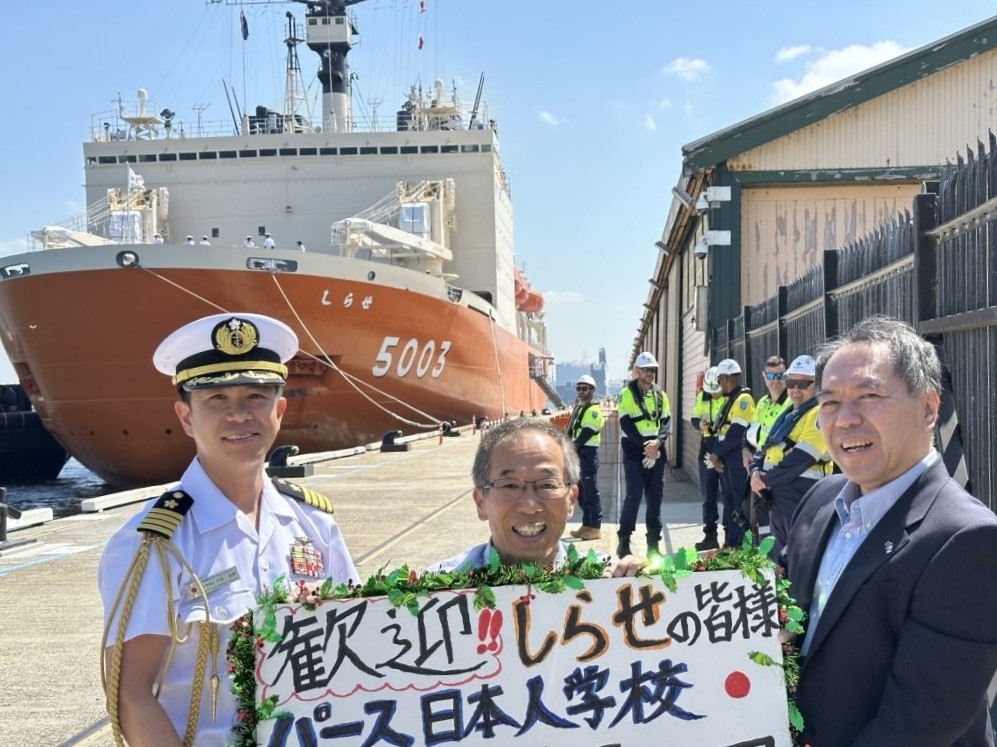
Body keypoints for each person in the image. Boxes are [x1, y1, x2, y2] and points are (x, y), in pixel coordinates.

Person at [98, 312, 358, 747]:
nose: (238, 414)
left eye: (255, 396)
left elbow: (356, 648)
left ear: (279, 410)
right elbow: (129, 692)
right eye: (216, 398)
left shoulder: (315, 526)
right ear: (185, 416)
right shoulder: (155, 543)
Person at [786, 317, 997, 746]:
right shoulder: (822, 499)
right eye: (829, 403)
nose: (844, 420)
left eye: (869, 396)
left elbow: (916, 728)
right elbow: (774, 602)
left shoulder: (968, 540)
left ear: (928, 409)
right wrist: (660, 588)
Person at [429, 418, 641, 577]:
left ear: (571, 500)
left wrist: (646, 587)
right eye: (510, 485)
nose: (530, 506)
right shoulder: (431, 593)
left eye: (547, 485)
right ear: (480, 502)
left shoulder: (609, 582)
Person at [748, 354, 831, 561]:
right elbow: (764, 445)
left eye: (803, 383)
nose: (795, 389)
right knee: (777, 559)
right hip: (777, 494)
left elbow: (801, 459)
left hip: (801, 495)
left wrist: (764, 480)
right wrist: (755, 470)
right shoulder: (787, 413)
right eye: (791, 382)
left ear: (817, 385)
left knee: (798, 559)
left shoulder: (819, 413)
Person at [616, 351, 671, 559]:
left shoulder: (661, 395)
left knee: (655, 498)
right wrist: (645, 447)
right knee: (633, 496)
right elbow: (626, 423)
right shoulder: (627, 394)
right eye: (646, 370)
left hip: (656, 449)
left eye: (653, 370)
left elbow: (666, 422)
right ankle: (624, 541)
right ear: (637, 371)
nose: (650, 373)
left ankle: (653, 546)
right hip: (634, 449)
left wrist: (657, 444)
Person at [705, 358, 754, 548]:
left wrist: (716, 455)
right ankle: (731, 543)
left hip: (736, 460)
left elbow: (735, 434)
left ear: (726, 378)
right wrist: (718, 457)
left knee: (738, 504)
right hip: (727, 459)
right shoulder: (730, 400)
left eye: (719, 380)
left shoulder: (743, 400)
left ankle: (740, 545)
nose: (718, 385)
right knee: (729, 503)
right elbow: (721, 432)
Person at [692, 366, 726, 551]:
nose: (714, 395)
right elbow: (693, 418)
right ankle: (710, 535)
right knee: (709, 495)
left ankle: (732, 538)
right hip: (706, 447)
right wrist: (700, 424)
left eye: (717, 391)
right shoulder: (701, 398)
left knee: (729, 495)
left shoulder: (729, 398)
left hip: (725, 447)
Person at [566, 374, 604, 540]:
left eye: (585, 388)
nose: (581, 391)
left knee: (591, 492)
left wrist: (571, 447)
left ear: (592, 390)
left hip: (587, 454)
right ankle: (587, 523)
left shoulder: (593, 411)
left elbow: (586, 433)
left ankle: (595, 527)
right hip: (577, 454)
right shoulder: (580, 408)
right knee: (581, 493)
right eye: (579, 388)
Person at [741, 355, 790, 470]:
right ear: (764, 376)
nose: (775, 380)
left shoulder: (792, 402)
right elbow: (750, 429)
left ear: (787, 375)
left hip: (781, 468)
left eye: (780, 376)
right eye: (770, 376)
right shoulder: (762, 402)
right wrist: (745, 450)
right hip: (759, 463)